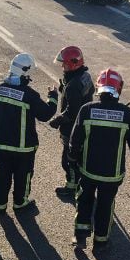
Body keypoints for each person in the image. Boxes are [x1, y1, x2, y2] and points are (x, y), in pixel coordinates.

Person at [68, 69, 130, 249]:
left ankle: (80, 237)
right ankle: (101, 241)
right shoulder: (127, 114)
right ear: (119, 89)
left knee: (84, 200)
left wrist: (72, 157)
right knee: (105, 205)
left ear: (98, 88)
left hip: (88, 169)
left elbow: (75, 139)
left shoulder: (86, 110)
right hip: (112, 174)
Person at [0, 53, 58, 214]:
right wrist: (53, 97)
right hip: (24, 149)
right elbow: (45, 114)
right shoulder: (29, 95)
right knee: (23, 176)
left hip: (3, 146)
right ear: (25, 72)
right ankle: (20, 203)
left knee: (3, 175)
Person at [48, 46, 94, 197]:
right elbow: (81, 97)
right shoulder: (84, 76)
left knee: (68, 160)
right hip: (85, 124)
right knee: (80, 156)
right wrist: (63, 88)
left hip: (72, 129)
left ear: (73, 64)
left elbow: (72, 110)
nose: (63, 66)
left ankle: (72, 186)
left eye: (65, 64)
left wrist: (57, 120)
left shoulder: (73, 86)